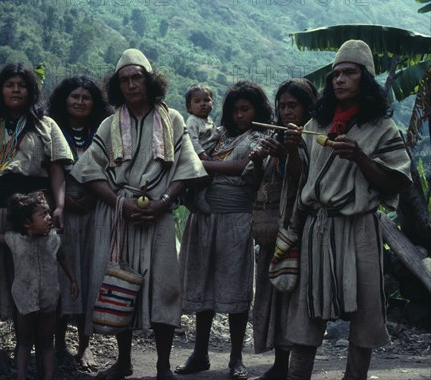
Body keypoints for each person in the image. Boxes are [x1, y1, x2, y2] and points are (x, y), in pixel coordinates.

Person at [70, 48, 207, 380]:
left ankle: (162, 366)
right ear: (118, 86)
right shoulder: (109, 124)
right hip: (118, 214)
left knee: (165, 288)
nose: (131, 85)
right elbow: (90, 172)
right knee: (119, 285)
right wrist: (121, 203)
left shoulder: (172, 119)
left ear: (149, 80)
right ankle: (124, 361)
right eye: (124, 80)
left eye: (137, 78)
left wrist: (163, 202)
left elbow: (187, 169)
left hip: (159, 215)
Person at [283, 40, 412, 380]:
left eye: (349, 73)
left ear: (365, 79)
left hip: (359, 227)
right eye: (336, 73)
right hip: (318, 226)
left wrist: (360, 158)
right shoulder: (317, 125)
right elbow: (303, 181)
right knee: (307, 310)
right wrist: (294, 151)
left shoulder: (382, 129)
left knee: (366, 310)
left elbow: (397, 182)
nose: (339, 79)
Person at [0, 63, 73, 350]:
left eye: (22, 85)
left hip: (27, 217)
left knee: (27, 276)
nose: (16, 89)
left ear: (31, 91)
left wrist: (59, 206)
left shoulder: (45, 126)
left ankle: (27, 348)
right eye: (10, 84)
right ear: (0, 90)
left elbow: (57, 170)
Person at [176, 80, 272, 380]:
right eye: (234, 109)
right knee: (203, 287)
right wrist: (199, 163)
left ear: (257, 110)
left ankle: (235, 358)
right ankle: (200, 353)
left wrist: (203, 165)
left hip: (236, 219)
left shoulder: (261, 138)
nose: (239, 115)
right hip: (205, 218)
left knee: (235, 289)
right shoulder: (218, 136)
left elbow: (242, 167)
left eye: (245, 109)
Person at [0, 191, 79, 380]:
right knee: (24, 342)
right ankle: (21, 376)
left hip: (49, 300)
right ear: (27, 223)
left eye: (48, 213)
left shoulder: (53, 239)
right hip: (24, 300)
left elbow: (63, 257)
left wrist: (73, 279)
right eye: (43, 215)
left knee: (46, 342)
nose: (49, 218)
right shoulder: (15, 240)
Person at [249, 78, 317, 380]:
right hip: (271, 230)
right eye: (283, 105)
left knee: (292, 294)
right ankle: (278, 364)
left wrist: (287, 152)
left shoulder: (314, 136)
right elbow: (256, 181)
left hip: (298, 230)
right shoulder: (274, 136)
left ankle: (290, 366)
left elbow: (303, 179)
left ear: (307, 107)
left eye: (293, 105)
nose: (287, 111)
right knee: (273, 293)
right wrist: (259, 158)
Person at [48, 76, 111, 369]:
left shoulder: (104, 132)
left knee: (91, 274)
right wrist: (64, 201)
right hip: (61, 210)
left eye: (86, 97)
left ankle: (84, 346)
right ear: (64, 99)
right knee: (63, 276)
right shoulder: (51, 129)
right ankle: (58, 344)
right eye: (75, 96)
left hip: (97, 210)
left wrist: (94, 195)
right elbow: (46, 169)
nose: (80, 102)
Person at [185, 83, 219, 160]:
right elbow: (192, 141)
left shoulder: (209, 120)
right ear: (189, 107)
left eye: (207, 100)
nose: (203, 104)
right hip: (198, 158)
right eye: (197, 101)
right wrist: (202, 155)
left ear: (212, 103)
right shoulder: (192, 121)